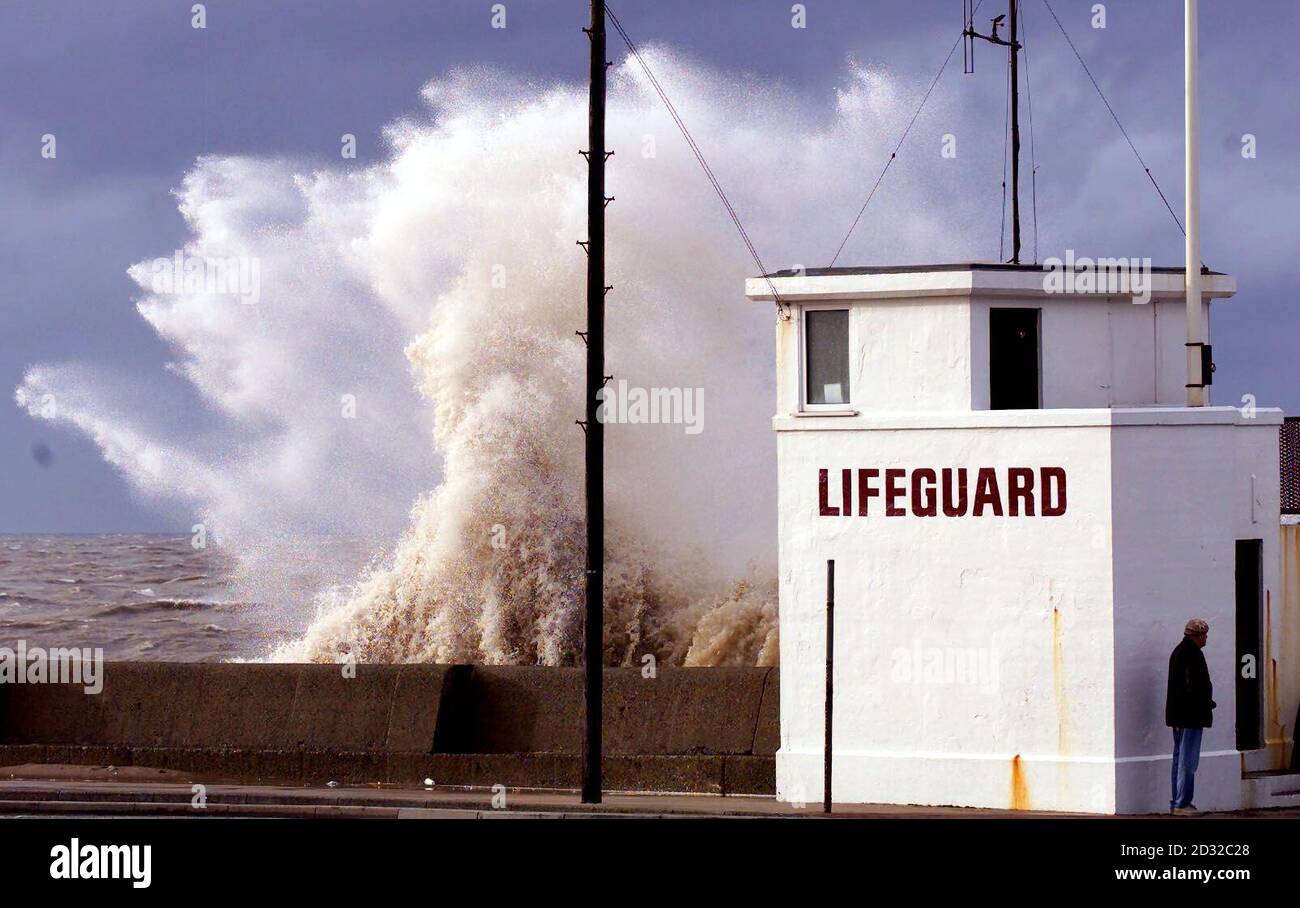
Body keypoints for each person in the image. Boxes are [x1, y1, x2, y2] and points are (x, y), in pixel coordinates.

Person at [1165, 618, 1215, 815]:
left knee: (1179, 758)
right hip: (1190, 716)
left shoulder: (1180, 652)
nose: (1206, 639)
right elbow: (1192, 687)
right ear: (1198, 635)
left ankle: (1178, 801)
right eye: (1204, 635)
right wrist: (1205, 703)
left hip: (1180, 716)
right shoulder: (1191, 655)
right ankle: (1182, 803)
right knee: (1188, 759)